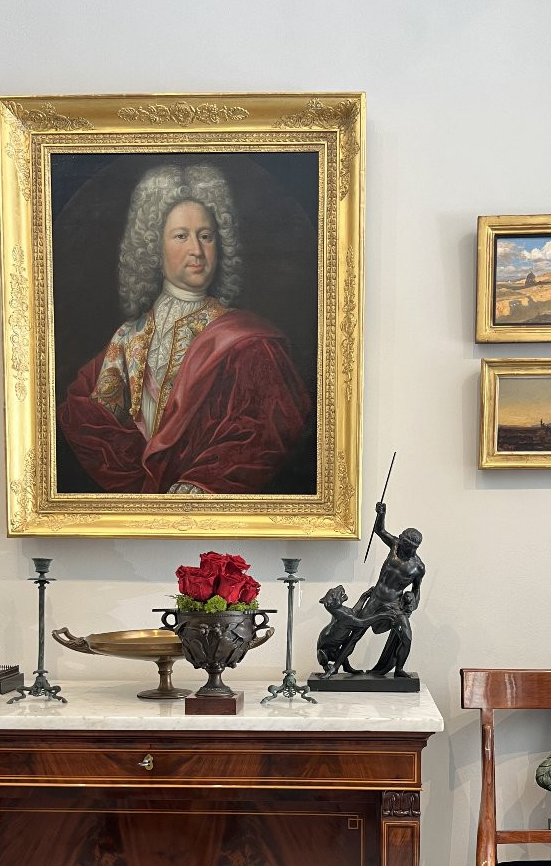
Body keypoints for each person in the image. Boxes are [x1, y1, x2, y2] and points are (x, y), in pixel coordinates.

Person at [58, 163, 312, 494]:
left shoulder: (248, 341)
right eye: (181, 236)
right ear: (154, 245)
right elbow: (88, 419)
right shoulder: (127, 337)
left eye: (206, 236)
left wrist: (201, 480)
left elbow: (267, 429)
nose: (197, 250)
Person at [329, 502, 425, 678]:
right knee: (356, 633)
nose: (404, 546)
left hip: (394, 605)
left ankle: (399, 669)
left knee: (406, 636)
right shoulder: (395, 545)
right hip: (376, 599)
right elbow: (380, 531)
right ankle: (335, 667)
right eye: (403, 542)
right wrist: (381, 514)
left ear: (415, 547)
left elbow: (417, 590)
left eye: (408, 546)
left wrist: (413, 602)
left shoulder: (418, 567)